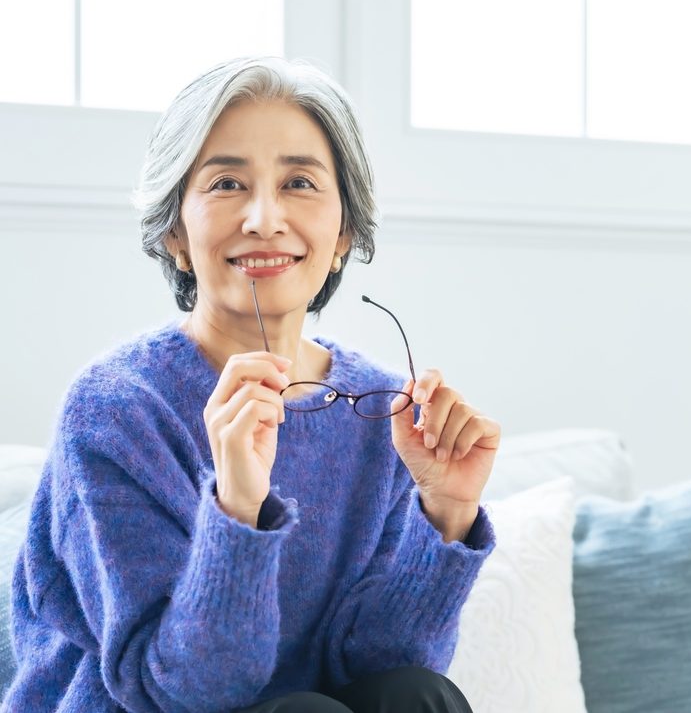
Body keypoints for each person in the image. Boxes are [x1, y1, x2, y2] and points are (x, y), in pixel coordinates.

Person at [2, 56, 500, 713]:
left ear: (344, 232)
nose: (265, 218)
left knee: (419, 694)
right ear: (176, 233)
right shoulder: (115, 410)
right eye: (227, 183)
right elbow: (177, 690)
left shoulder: (384, 414)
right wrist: (238, 507)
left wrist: (445, 512)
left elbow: (380, 670)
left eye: (299, 182)